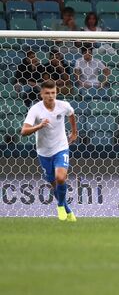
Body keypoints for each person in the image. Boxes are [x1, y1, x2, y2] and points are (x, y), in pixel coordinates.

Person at [21, 80, 78, 222]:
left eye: (53, 93)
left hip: (61, 147)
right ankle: (68, 210)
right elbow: (24, 131)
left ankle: (59, 206)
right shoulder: (35, 109)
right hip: (44, 152)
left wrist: (74, 132)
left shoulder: (63, 105)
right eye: (47, 93)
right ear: (41, 94)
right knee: (54, 183)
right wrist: (39, 126)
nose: (51, 96)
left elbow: (71, 114)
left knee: (61, 178)